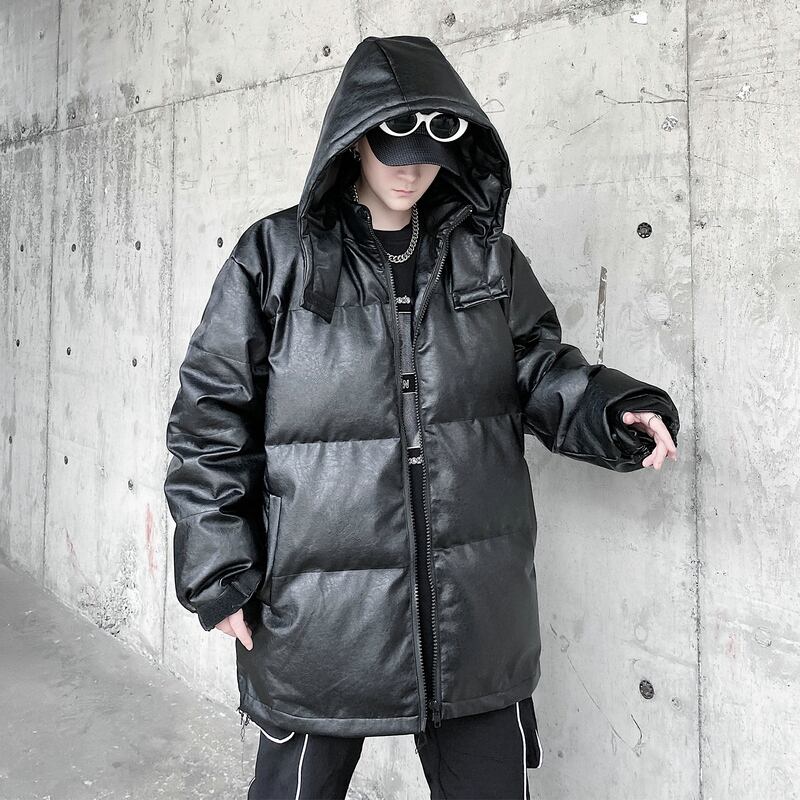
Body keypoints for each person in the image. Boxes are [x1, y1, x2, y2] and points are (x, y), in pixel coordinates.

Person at [163, 34, 679, 799]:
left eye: (431, 145)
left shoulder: (488, 258)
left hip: (471, 609)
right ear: (353, 138)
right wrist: (219, 570)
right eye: (390, 143)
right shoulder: (276, 257)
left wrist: (614, 409)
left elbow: (540, 370)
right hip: (319, 612)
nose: (409, 168)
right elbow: (210, 417)